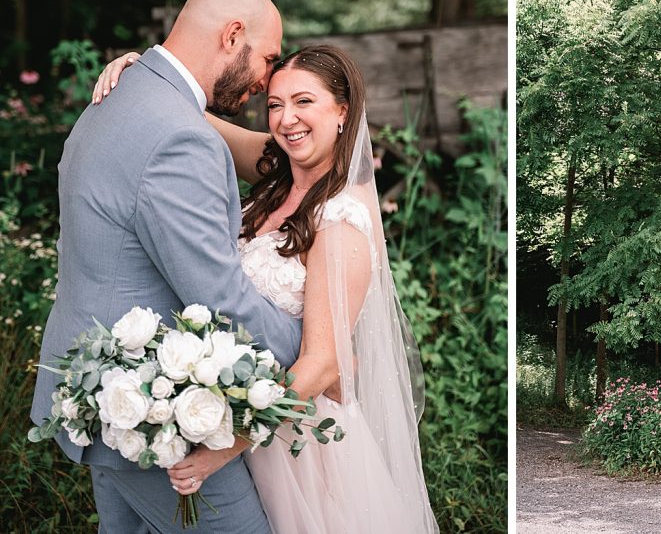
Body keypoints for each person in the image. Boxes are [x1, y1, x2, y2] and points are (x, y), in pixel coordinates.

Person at [97, 45, 438, 533]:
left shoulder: (342, 220)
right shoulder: (277, 168)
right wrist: (144, 74)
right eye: (275, 104)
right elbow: (189, 112)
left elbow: (323, 364)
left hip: (296, 441)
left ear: (342, 112)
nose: (286, 119)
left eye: (304, 102)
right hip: (233, 405)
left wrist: (227, 445)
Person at [32, 0, 304, 534]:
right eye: (268, 60)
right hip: (153, 420)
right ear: (233, 35)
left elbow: (289, 161)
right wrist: (318, 353)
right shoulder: (178, 137)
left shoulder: (120, 100)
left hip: (100, 397)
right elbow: (219, 297)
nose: (268, 81)